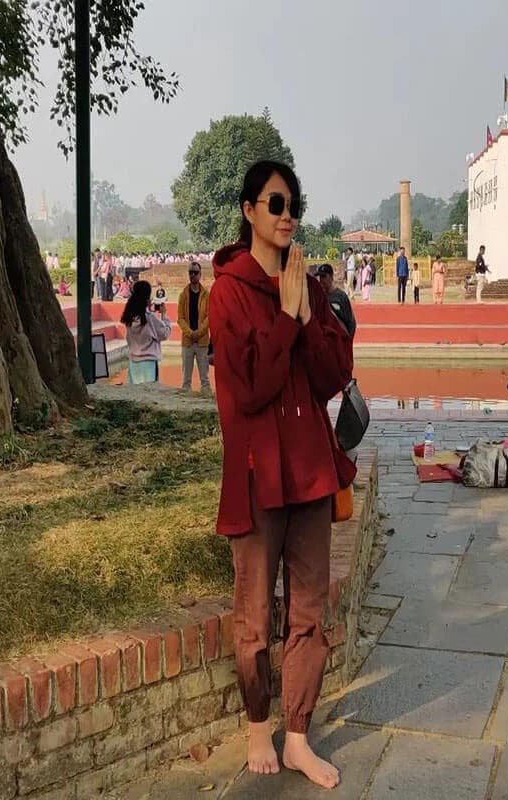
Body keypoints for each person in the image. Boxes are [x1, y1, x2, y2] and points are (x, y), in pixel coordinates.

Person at [208, 160, 353, 790]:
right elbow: (250, 389)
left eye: (293, 202)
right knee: (254, 616)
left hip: (310, 470)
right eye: (274, 202)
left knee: (310, 612)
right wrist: (283, 321)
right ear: (248, 211)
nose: (287, 213)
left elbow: (332, 376)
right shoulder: (230, 291)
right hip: (257, 470)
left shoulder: (310, 288)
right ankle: (257, 724)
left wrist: (304, 316)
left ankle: (298, 735)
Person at [122, 280, 171, 384]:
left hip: (133, 363)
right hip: (148, 364)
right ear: (147, 298)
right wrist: (164, 316)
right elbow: (164, 333)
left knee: (134, 395)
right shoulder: (149, 318)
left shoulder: (129, 318)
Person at [177, 261, 211, 392]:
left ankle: (206, 407)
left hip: (202, 341)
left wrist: (198, 332)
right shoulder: (183, 295)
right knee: (186, 380)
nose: (192, 275)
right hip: (188, 341)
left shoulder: (206, 295)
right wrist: (190, 333)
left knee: (205, 380)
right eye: (190, 272)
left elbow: (209, 317)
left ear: (200, 274)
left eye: (195, 272)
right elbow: (180, 318)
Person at [316, 263, 356, 339]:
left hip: (338, 341)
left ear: (331, 277)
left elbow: (351, 322)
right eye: (320, 277)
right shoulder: (318, 296)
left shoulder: (341, 297)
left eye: (324, 276)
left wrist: (347, 342)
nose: (321, 280)